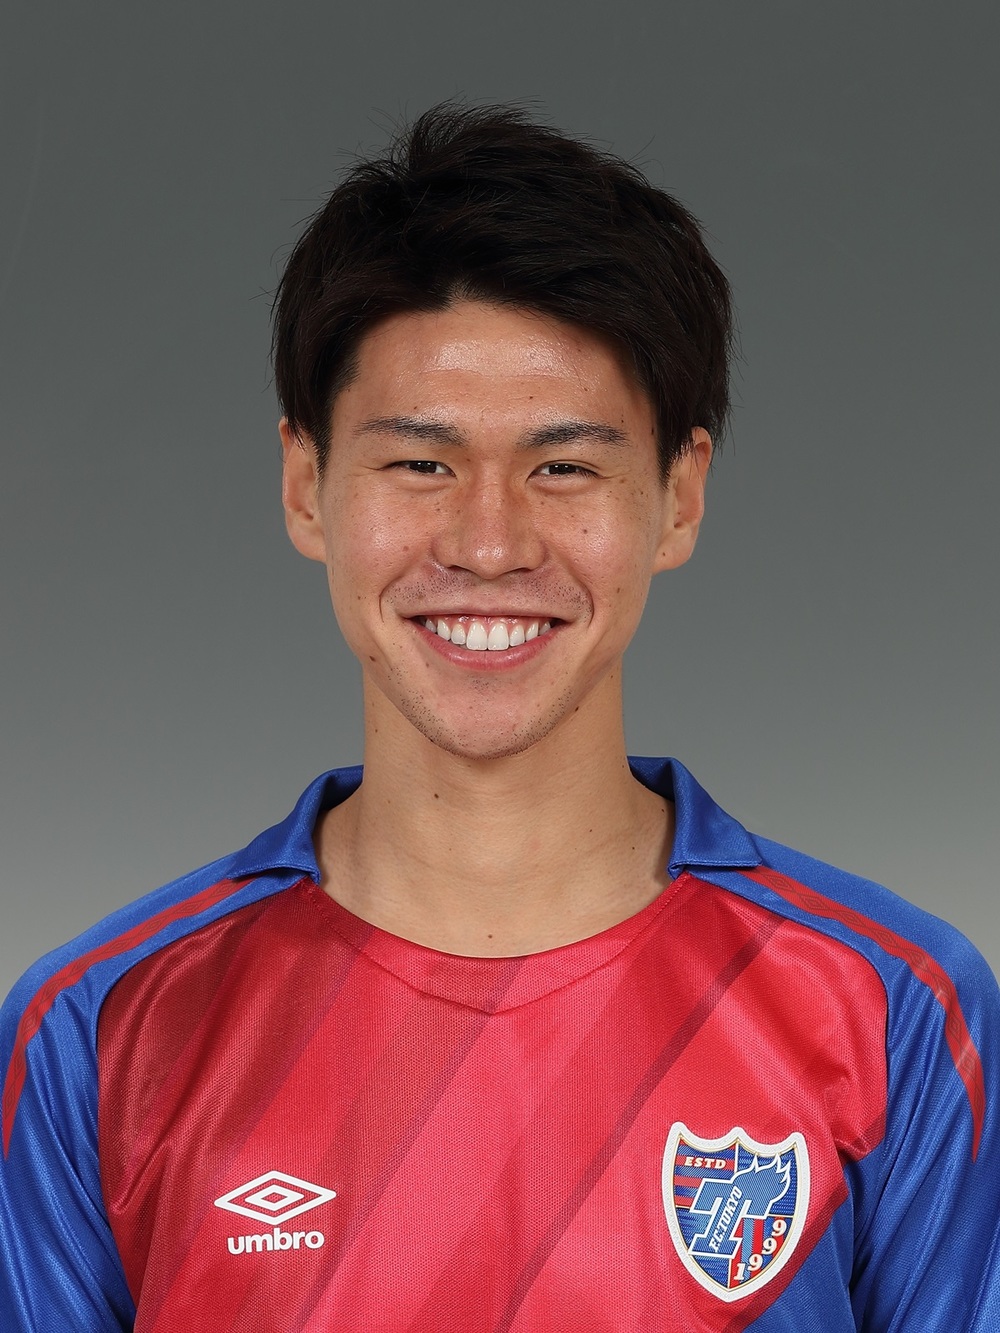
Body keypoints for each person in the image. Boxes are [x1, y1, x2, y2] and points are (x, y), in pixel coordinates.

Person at [0, 103, 997, 1333]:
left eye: (563, 466)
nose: (488, 542)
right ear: (306, 486)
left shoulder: (894, 1007)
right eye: (421, 463)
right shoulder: (101, 1027)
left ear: (679, 498)